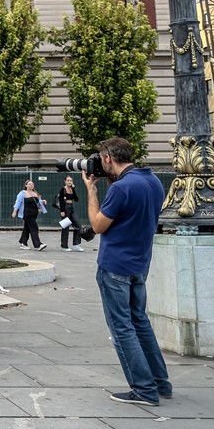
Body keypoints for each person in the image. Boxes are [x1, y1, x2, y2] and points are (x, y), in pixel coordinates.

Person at [83, 137, 173, 406]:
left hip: (115, 266)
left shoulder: (121, 189)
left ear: (108, 158)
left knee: (122, 328)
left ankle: (144, 389)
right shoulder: (153, 181)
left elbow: (98, 226)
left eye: (101, 158)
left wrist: (91, 191)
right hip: (139, 264)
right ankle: (160, 383)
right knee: (140, 323)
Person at [13, 179, 48, 251]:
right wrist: (15, 211)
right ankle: (38, 245)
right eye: (29, 184)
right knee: (34, 227)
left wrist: (43, 201)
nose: (31, 185)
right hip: (27, 213)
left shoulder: (35, 193)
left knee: (27, 228)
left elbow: (38, 202)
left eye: (32, 184)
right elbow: (18, 202)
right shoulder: (23, 193)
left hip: (34, 213)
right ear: (26, 185)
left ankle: (23, 243)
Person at [57, 175, 84, 251]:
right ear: (65, 181)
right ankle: (64, 246)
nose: (69, 182)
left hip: (72, 208)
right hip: (65, 208)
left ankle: (76, 244)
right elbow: (61, 200)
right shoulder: (63, 189)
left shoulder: (72, 189)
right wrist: (62, 211)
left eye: (71, 180)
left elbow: (76, 199)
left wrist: (73, 189)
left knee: (78, 226)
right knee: (66, 227)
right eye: (68, 180)